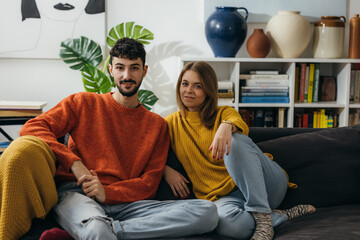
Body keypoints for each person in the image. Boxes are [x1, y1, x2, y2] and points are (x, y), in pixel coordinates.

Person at [0, 39, 218, 240]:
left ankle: (111, 230)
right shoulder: (83, 102)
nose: (127, 75)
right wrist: (74, 163)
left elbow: (150, 183)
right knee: (96, 228)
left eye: (134, 68)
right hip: (79, 195)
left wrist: (108, 193)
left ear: (144, 71)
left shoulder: (157, 125)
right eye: (120, 68)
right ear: (111, 69)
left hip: (129, 205)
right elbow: (34, 126)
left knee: (206, 212)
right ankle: (99, 228)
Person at [164, 61, 316, 240]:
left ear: (208, 91)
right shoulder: (170, 123)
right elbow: (150, 153)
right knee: (230, 225)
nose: (189, 90)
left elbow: (239, 123)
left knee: (235, 141)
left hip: (266, 184)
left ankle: (263, 219)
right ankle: (279, 216)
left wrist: (226, 126)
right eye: (185, 83)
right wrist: (166, 170)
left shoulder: (224, 113)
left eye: (198, 86)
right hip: (226, 197)